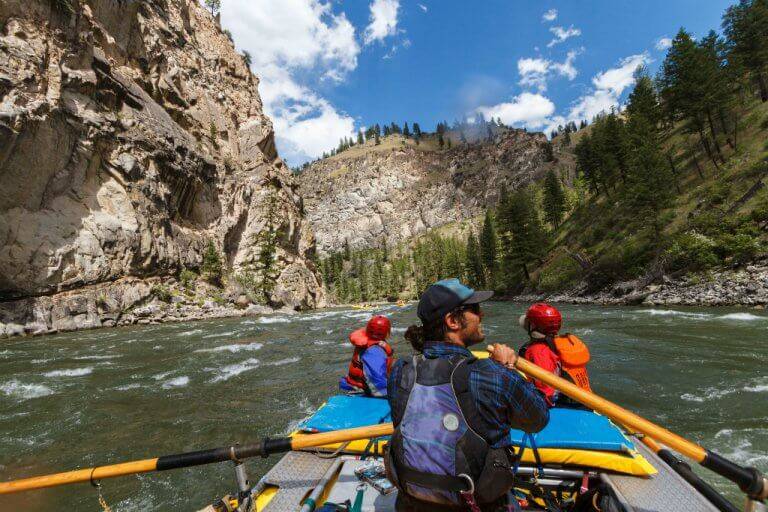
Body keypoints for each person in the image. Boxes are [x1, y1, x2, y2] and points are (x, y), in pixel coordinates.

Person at [386, 278, 550, 511]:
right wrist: (508, 369)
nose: (481, 314)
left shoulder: (400, 371)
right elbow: (538, 420)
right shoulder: (493, 375)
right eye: (474, 309)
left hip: (413, 503)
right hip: (478, 505)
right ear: (453, 321)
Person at [518, 303, 592, 407]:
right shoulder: (566, 343)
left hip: (560, 406)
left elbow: (545, 392)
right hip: (585, 401)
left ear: (532, 326)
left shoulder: (537, 351)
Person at [339, 315, 394, 398]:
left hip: (356, 386)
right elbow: (377, 382)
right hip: (362, 391)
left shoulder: (369, 343)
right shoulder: (374, 351)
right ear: (387, 333)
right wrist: (390, 395)